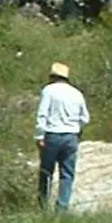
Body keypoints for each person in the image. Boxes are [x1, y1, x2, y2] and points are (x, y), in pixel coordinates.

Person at [35, 61, 89, 212]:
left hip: (53, 134)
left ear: (52, 76)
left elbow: (43, 114)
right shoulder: (76, 93)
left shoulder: (49, 90)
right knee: (67, 174)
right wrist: (76, 128)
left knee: (46, 172)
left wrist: (39, 136)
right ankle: (62, 208)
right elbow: (85, 118)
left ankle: (43, 205)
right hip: (71, 136)